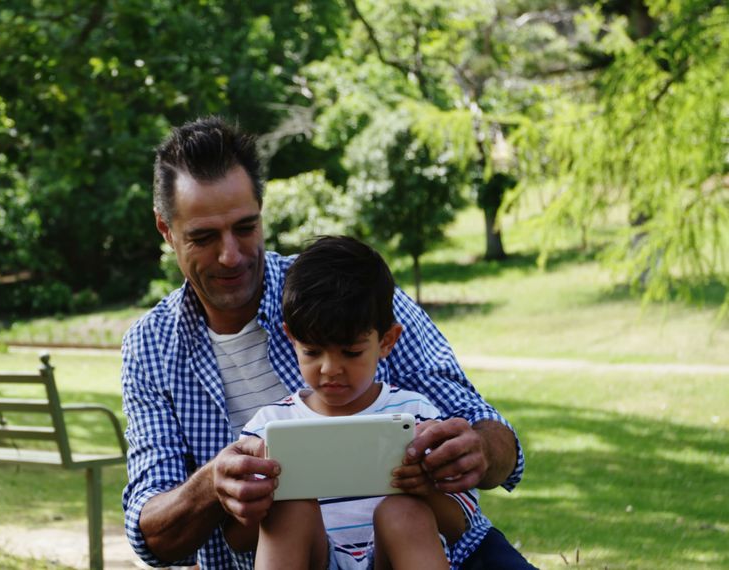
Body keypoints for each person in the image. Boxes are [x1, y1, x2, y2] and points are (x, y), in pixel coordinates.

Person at [121, 116, 533, 569]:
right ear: (166, 231)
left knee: (403, 515)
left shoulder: (345, 287)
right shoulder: (150, 346)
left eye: (245, 227)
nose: (230, 255)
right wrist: (214, 489)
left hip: (433, 552)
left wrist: (477, 449)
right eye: (202, 237)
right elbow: (153, 536)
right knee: (289, 512)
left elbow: (491, 437)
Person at [227, 235, 486, 569]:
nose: (330, 369)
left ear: (387, 341)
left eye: (351, 352)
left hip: (393, 558)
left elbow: (458, 526)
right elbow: (236, 539)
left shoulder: (417, 416)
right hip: (313, 558)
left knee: (403, 510)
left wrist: (427, 490)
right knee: (287, 509)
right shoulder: (268, 427)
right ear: (290, 338)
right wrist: (256, 502)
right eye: (312, 351)